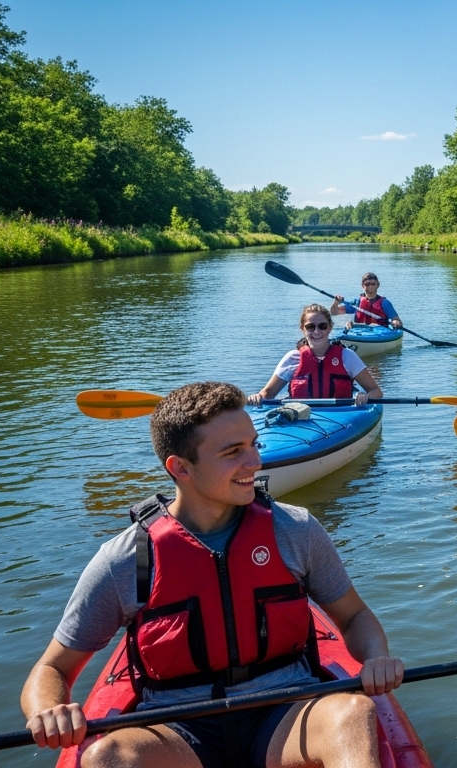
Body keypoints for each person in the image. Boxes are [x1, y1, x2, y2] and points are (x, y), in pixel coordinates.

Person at [21, 381, 406, 767]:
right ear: (180, 468)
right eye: (233, 452)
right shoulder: (124, 560)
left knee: (352, 714)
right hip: (176, 729)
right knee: (108, 757)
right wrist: (48, 709)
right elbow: (52, 668)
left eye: (254, 444)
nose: (255, 462)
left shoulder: (295, 530)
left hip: (287, 713)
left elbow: (354, 617)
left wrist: (376, 656)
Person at [248, 304, 383, 406]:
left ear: (330, 328)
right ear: (303, 329)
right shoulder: (292, 358)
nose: (316, 331)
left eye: (322, 326)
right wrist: (257, 397)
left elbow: (376, 392)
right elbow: (267, 393)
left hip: (341, 416)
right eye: (310, 327)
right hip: (301, 418)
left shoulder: (347, 356)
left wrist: (365, 397)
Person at [332, 271, 402, 329]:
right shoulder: (357, 302)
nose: (370, 286)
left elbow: (397, 320)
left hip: (380, 335)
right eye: (367, 284)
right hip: (360, 334)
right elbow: (334, 312)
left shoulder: (385, 303)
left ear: (378, 285)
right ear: (363, 286)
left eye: (373, 284)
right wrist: (336, 303)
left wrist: (396, 322)